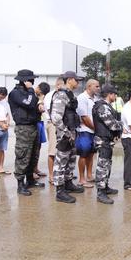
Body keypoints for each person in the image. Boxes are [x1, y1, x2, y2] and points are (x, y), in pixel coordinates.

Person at [51, 71, 84, 203]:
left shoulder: (70, 94)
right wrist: (66, 132)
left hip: (72, 131)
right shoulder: (60, 95)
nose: (78, 83)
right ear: (69, 80)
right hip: (64, 134)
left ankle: (68, 183)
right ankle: (59, 191)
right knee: (61, 161)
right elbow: (56, 117)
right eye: (77, 80)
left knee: (70, 159)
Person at [8, 70, 43, 195]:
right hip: (23, 128)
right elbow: (28, 104)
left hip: (33, 126)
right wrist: (31, 91)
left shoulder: (28, 93)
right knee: (23, 156)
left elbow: (33, 106)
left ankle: (30, 180)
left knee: (33, 155)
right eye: (30, 79)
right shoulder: (15, 93)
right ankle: (20, 184)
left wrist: (39, 108)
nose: (32, 82)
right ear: (24, 80)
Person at [92, 84, 123, 204]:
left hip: (107, 140)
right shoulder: (102, 107)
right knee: (103, 166)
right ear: (109, 94)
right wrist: (122, 125)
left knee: (107, 165)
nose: (115, 96)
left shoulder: (106, 106)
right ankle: (101, 193)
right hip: (103, 140)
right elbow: (113, 125)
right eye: (114, 94)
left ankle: (105, 187)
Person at [76, 79, 100, 188]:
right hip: (84, 130)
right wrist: (96, 128)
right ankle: (81, 179)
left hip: (93, 131)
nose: (98, 88)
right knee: (83, 154)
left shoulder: (95, 99)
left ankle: (89, 175)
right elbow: (84, 117)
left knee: (91, 154)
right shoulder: (82, 98)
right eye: (97, 86)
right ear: (89, 86)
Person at [43, 77, 64, 184]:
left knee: (62, 151)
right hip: (53, 124)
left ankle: (60, 174)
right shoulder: (50, 95)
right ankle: (51, 176)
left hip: (62, 125)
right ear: (59, 85)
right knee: (53, 151)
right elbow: (51, 112)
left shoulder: (64, 95)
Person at [33, 82, 50, 179]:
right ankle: (31, 171)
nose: (36, 88)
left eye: (37, 87)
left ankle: (35, 168)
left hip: (41, 123)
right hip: (35, 123)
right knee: (33, 148)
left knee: (38, 147)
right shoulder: (34, 98)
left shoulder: (43, 98)